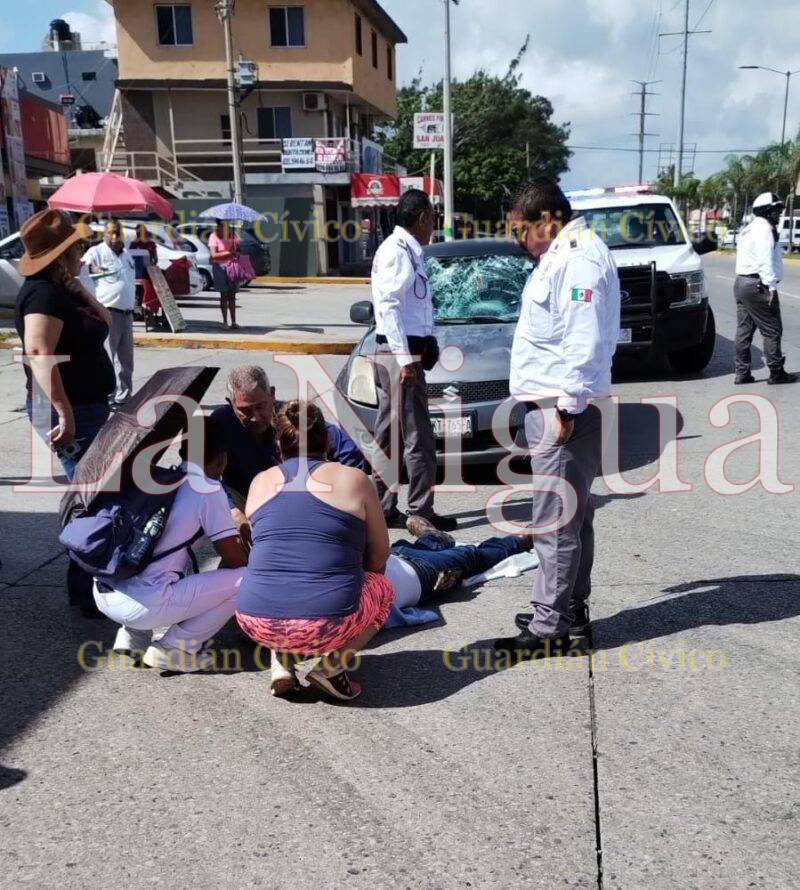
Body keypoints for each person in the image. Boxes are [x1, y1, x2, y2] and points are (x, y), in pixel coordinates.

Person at [495, 179, 621, 659]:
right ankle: (567, 608)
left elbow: (583, 338)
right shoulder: (567, 255)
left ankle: (550, 626)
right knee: (573, 515)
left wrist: (567, 407)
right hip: (558, 404)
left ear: (546, 220)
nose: (518, 241)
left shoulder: (577, 259)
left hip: (560, 409)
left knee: (555, 520)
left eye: (520, 230)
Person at [236, 401, 393, 701]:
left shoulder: (259, 482)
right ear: (328, 440)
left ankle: (281, 664)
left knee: (281, 580)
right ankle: (331, 668)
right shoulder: (355, 479)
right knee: (383, 589)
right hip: (325, 623)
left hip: (255, 619)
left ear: (279, 444)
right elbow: (379, 556)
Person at [14, 208, 115, 616]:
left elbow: (105, 322)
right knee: (91, 498)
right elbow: (40, 353)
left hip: (87, 408)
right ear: (61, 255)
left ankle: (86, 586)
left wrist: (81, 292)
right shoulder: (42, 294)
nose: (82, 252)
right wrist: (64, 413)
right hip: (71, 411)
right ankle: (86, 590)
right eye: (76, 247)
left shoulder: (62, 291)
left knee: (92, 494)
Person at [93, 417, 248, 672]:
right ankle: (175, 649)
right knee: (247, 580)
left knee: (165, 556)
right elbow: (234, 560)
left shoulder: (161, 478)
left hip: (104, 592)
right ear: (222, 459)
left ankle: (133, 638)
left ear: (182, 451)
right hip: (142, 607)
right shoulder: (208, 490)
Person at [370, 188, 457, 535]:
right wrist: (406, 360)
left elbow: (410, 307)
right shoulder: (398, 251)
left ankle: (384, 507)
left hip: (403, 352)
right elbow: (389, 307)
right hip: (399, 357)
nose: (433, 225)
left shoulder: (406, 250)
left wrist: (426, 340)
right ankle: (420, 511)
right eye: (433, 218)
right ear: (422, 218)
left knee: (391, 436)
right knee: (416, 437)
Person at [209, 365, 365, 540]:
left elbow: (349, 454)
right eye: (245, 410)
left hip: (294, 501)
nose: (255, 417)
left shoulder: (289, 418)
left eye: (260, 406)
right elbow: (204, 474)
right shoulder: (221, 422)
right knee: (225, 519)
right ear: (231, 404)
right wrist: (231, 509)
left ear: (272, 395)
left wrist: (340, 500)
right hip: (246, 501)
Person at [385, 532, 533, 621]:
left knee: (469, 556)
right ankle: (433, 536)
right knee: (469, 555)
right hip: (419, 571)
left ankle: (433, 537)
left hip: (406, 565)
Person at [733, 192, 796, 385]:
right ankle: (776, 373)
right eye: (776, 210)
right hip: (758, 284)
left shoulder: (749, 228)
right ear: (766, 211)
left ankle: (742, 373)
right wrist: (772, 288)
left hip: (742, 282)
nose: (779, 214)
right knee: (772, 329)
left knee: (744, 331)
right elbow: (764, 261)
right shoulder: (764, 230)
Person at [83, 220, 137, 408]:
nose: (114, 236)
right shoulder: (96, 252)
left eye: (117, 232)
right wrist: (93, 268)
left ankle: (125, 396)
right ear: (104, 234)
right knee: (108, 357)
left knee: (126, 360)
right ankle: (108, 395)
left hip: (127, 313)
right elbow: (83, 270)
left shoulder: (126, 254)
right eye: (111, 232)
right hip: (108, 312)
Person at [209, 219, 240, 329]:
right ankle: (225, 321)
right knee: (224, 295)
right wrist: (229, 252)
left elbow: (238, 251)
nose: (224, 228)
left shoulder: (233, 235)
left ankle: (234, 322)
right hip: (219, 268)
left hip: (232, 267)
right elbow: (214, 255)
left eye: (226, 225)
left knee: (232, 295)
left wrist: (236, 249)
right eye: (221, 225)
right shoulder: (214, 236)